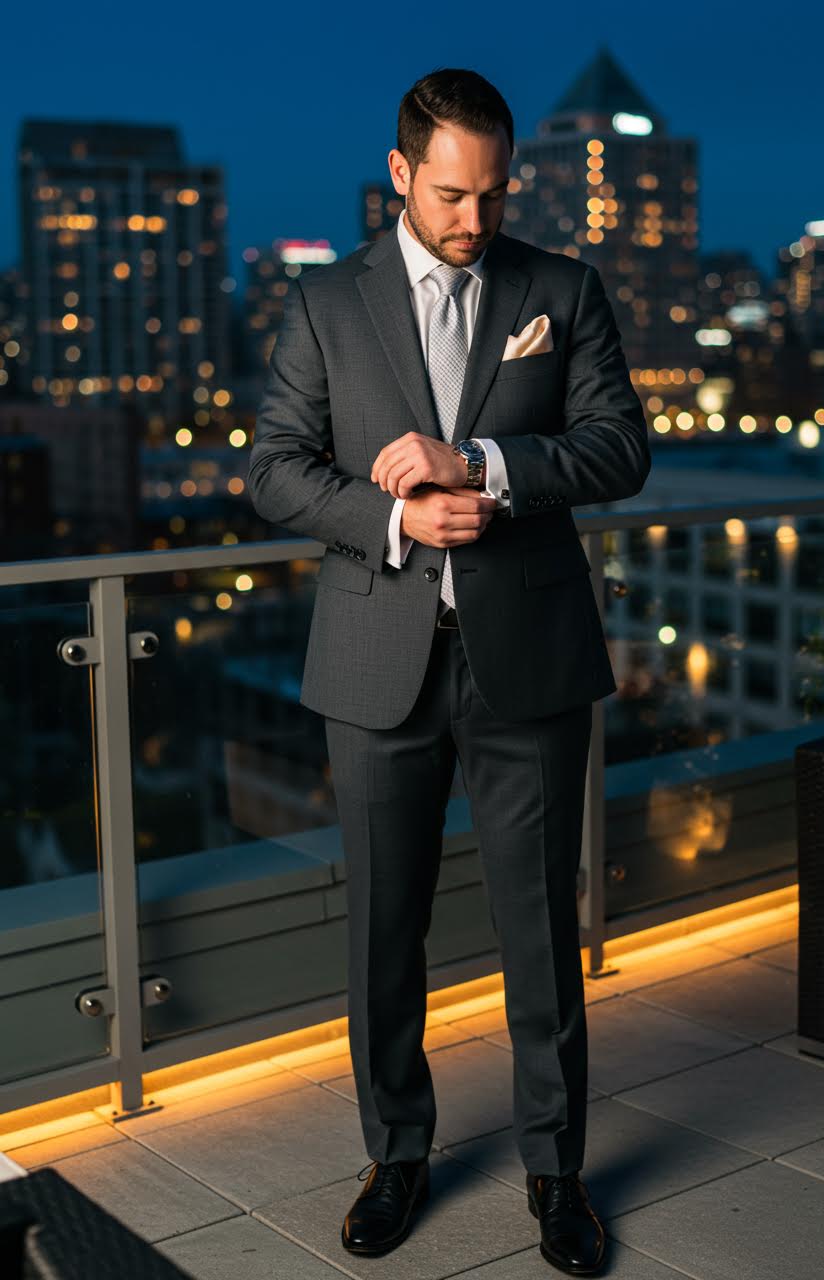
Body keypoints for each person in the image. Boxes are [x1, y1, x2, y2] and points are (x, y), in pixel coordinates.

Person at [247, 65, 650, 1278]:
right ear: (398, 175)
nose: (473, 219)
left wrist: (480, 463)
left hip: (526, 656)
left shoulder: (559, 288)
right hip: (376, 664)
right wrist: (394, 524)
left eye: (490, 192)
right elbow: (273, 467)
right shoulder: (324, 302)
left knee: (541, 932)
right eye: (448, 194)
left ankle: (556, 1172)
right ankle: (396, 1154)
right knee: (383, 935)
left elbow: (618, 446)